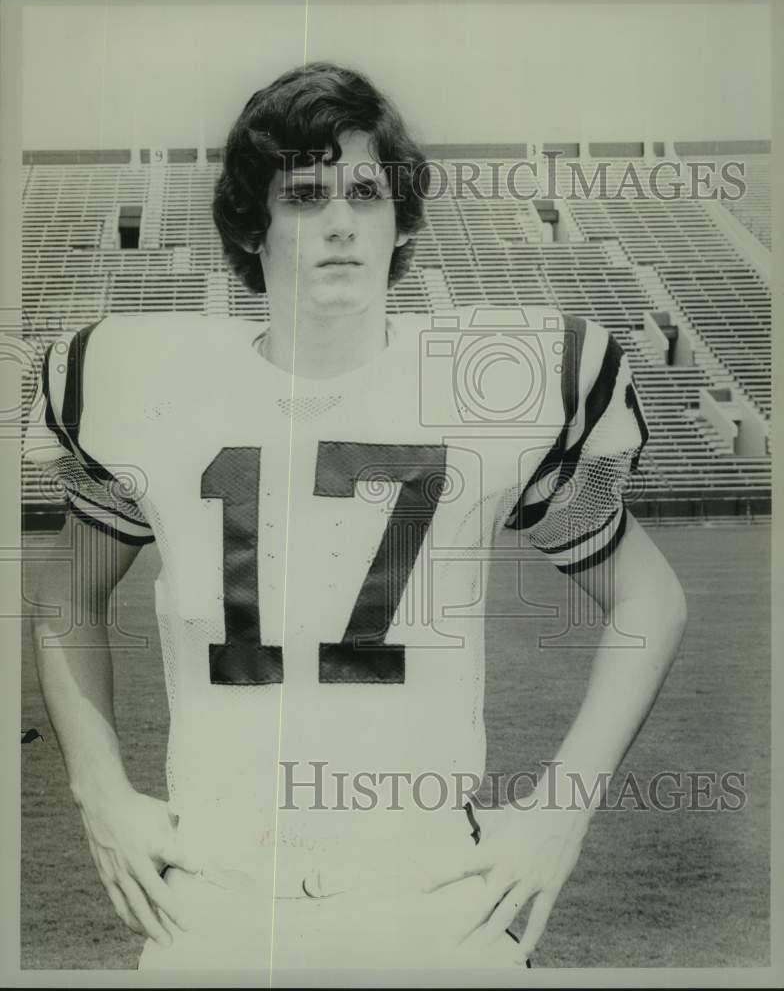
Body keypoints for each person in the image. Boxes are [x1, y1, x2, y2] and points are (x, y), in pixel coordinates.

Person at [26, 61, 687, 976]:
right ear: (253, 225)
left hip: (437, 902)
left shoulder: (505, 381)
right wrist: (98, 786)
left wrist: (561, 806)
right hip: (213, 899)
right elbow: (68, 596)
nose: (338, 220)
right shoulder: (142, 383)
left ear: (401, 218)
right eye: (303, 193)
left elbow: (647, 599)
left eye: (366, 191)